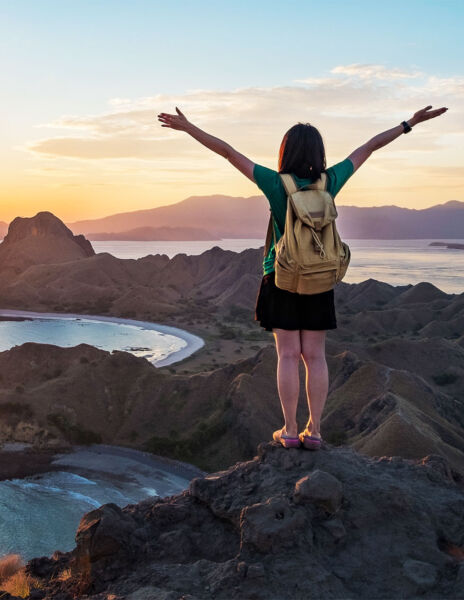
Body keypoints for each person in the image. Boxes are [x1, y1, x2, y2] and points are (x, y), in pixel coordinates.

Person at [157, 104, 448, 450]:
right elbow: (368, 147)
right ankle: (316, 431)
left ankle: (291, 430)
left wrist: (190, 128)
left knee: (288, 356)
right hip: (319, 279)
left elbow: (228, 152)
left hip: (280, 278)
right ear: (319, 153)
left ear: (285, 152)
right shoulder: (330, 182)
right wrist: (408, 124)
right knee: (315, 356)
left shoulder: (275, 184)